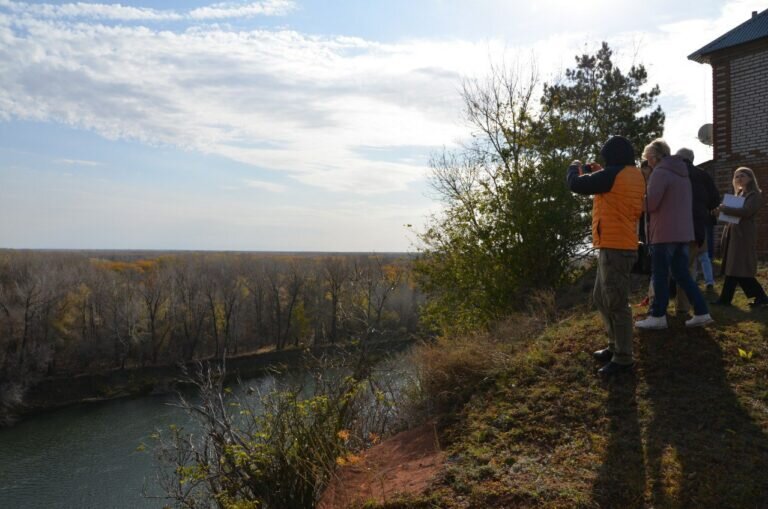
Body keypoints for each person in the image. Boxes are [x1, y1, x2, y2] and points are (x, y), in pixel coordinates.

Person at [567, 136, 645, 375]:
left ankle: (623, 358)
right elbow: (612, 188)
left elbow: (576, 185)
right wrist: (601, 172)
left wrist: (574, 167)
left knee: (616, 303)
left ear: (612, 156)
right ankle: (614, 346)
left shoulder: (615, 175)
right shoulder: (631, 174)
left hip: (616, 248)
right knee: (602, 297)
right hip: (616, 245)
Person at [635, 139, 714, 329]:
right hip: (682, 233)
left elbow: (651, 204)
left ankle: (658, 315)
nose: (648, 163)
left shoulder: (661, 172)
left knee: (660, 274)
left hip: (664, 232)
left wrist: (638, 200)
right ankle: (702, 312)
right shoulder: (682, 173)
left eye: (647, 159)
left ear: (654, 157)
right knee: (682, 275)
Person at [670, 147, 720, 312]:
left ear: (678, 158)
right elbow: (714, 201)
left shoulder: (673, 173)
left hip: (675, 228)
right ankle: (683, 306)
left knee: (672, 267)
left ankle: (672, 306)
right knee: (689, 267)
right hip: (697, 228)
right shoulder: (703, 175)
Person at [711, 167, 768, 307]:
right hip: (734, 233)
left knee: (736, 267)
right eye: (736, 176)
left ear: (750, 177)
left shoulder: (754, 195)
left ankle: (726, 300)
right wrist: (719, 212)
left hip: (744, 235)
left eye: (742, 176)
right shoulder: (740, 194)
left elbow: (746, 212)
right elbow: (732, 214)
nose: (739, 179)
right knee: (735, 267)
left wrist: (726, 209)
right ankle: (760, 298)